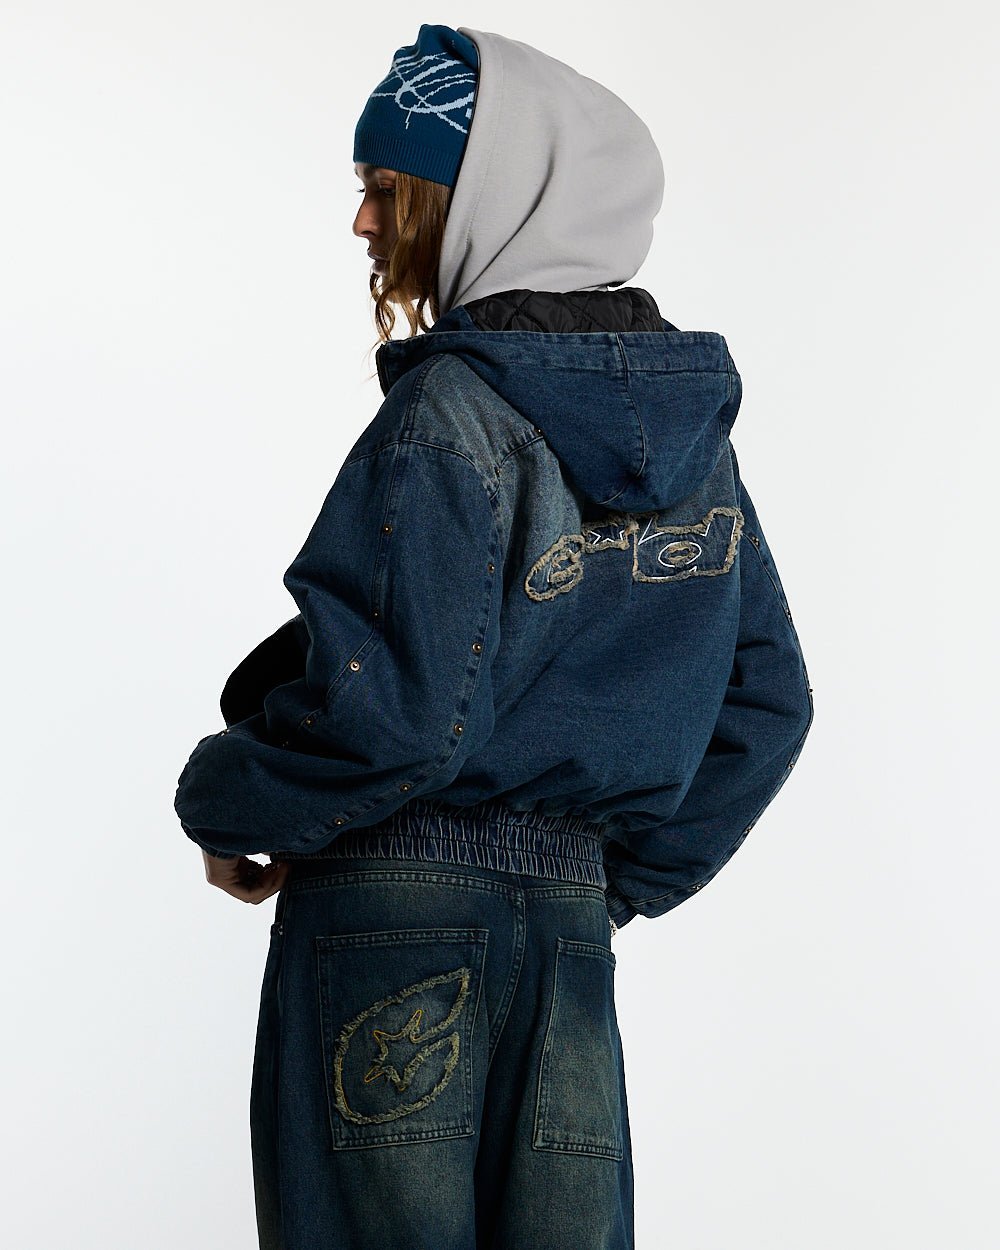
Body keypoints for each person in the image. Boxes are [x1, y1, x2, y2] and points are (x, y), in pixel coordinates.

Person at [174, 23, 814, 1250]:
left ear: (484, 199)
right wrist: (604, 885)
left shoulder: (449, 414)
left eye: (387, 188)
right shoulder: (699, 453)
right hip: (566, 940)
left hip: (384, 921)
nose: (363, 223)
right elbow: (767, 699)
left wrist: (225, 798)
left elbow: (395, 716)